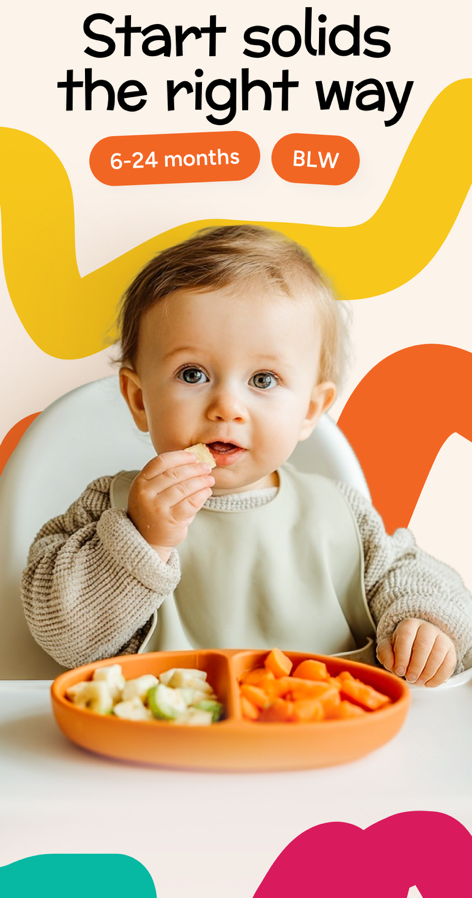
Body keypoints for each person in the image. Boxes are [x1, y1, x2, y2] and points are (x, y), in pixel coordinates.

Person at [21, 225, 472, 685]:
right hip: (168, 748)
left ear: (309, 411)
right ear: (139, 399)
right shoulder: (112, 507)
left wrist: (425, 624)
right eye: (193, 374)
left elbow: (418, 577)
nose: (226, 408)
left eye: (262, 380)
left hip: (325, 745)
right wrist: (143, 538)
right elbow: (63, 638)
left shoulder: (342, 515)